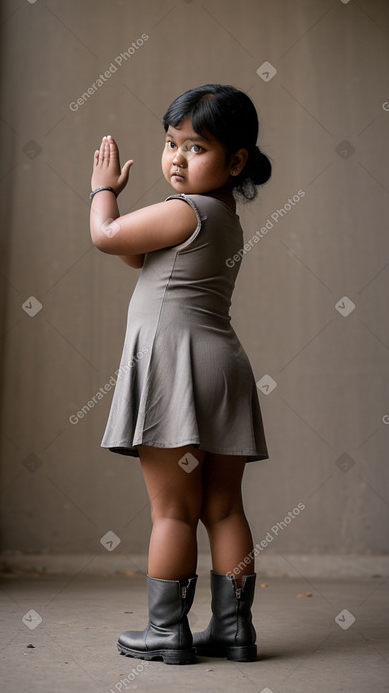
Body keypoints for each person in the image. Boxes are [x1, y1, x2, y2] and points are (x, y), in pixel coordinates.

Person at [90, 83, 271, 665]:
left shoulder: (182, 210)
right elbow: (138, 256)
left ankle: (167, 631)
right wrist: (122, 216)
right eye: (171, 144)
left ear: (235, 160)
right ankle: (234, 629)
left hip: (175, 364)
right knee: (223, 507)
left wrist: (102, 193)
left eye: (195, 147)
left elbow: (107, 237)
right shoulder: (222, 216)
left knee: (172, 510)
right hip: (223, 366)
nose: (175, 158)